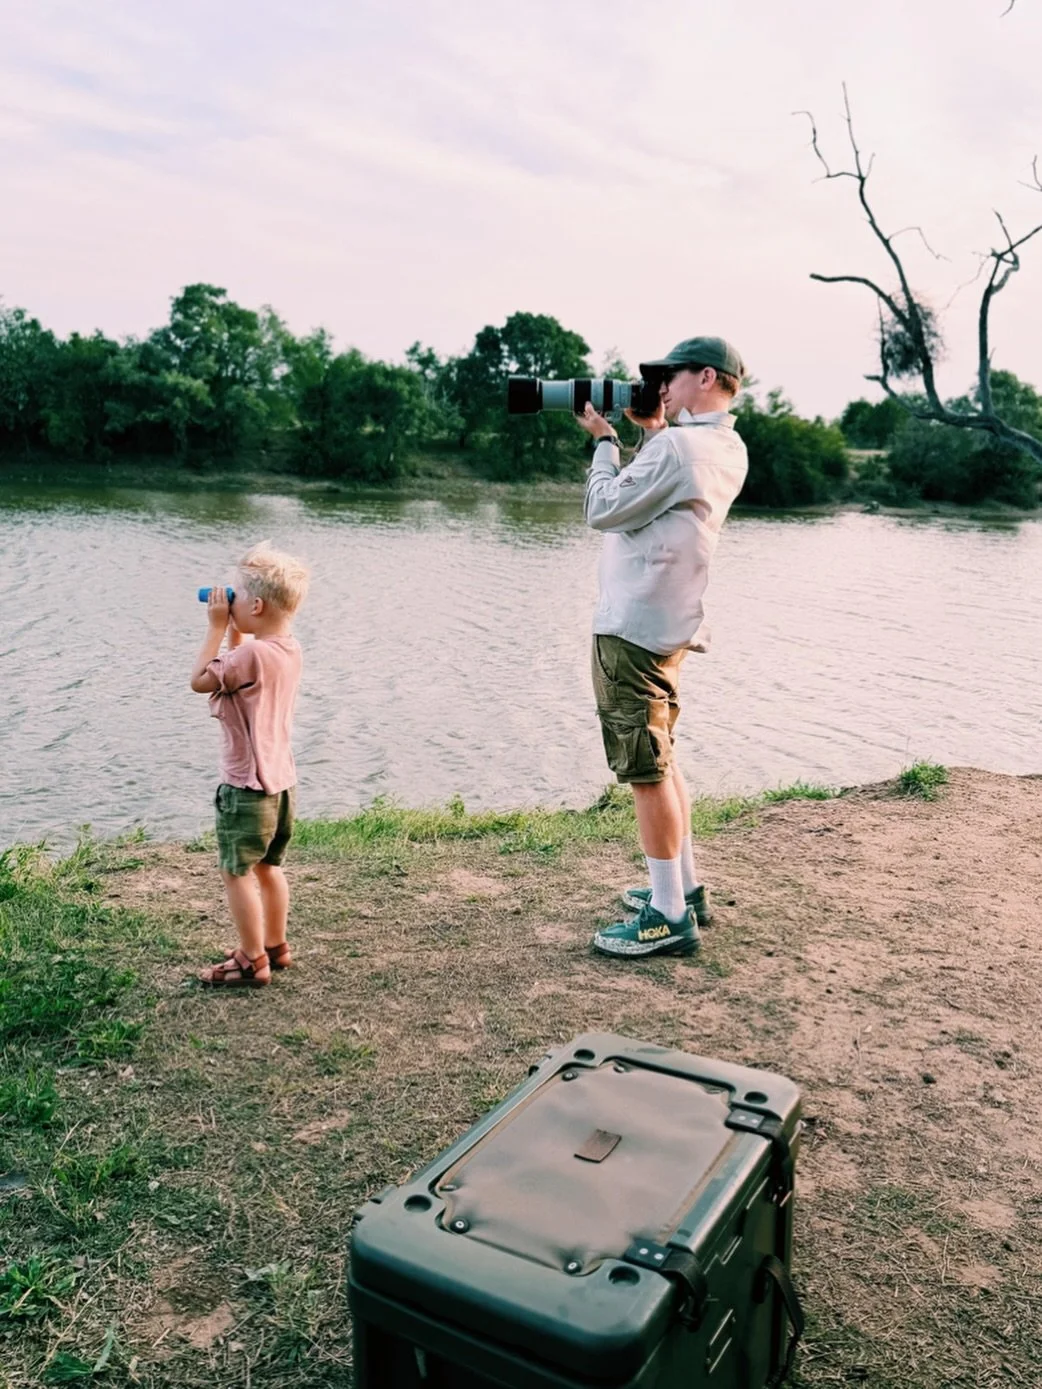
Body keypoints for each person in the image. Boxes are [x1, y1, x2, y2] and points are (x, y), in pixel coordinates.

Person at [575, 336, 749, 958]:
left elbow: (604, 508)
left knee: (645, 770)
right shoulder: (725, 446)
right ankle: (686, 888)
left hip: (633, 626)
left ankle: (669, 915)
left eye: (669, 378)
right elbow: (664, 492)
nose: (661, 389)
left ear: (706, 377)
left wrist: (603, 443)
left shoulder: (678, 445)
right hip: (670, 623)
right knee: (663, 757)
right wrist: (652, 434)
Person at [189, 542, 310, 986]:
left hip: (245, 788)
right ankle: (276, 946)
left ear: (254, 605)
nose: (229, 603)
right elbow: (239, 662)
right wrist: (234, 630)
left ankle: (251, 961)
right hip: (281, 786)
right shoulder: (286, 649)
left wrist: (215, 627)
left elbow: (201, 680)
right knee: (269, 867)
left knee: (236, 871)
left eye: (235, 597)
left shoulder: (250, 655)